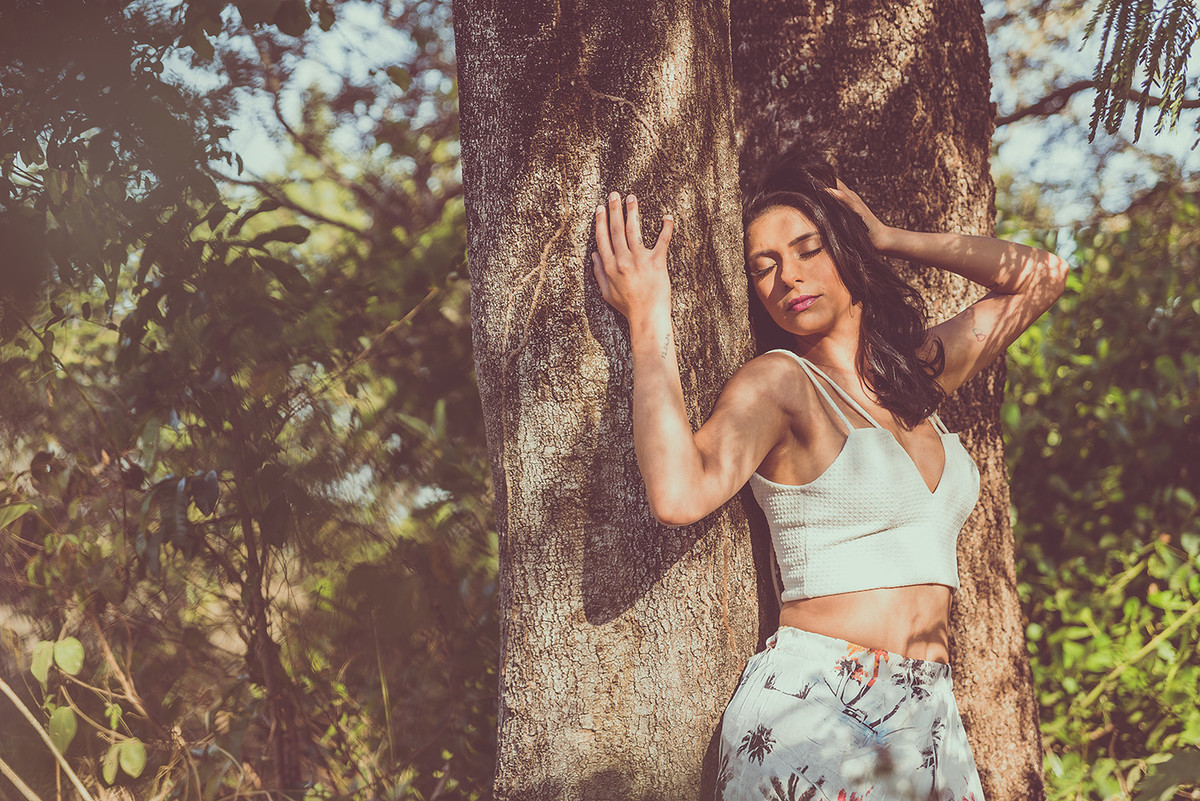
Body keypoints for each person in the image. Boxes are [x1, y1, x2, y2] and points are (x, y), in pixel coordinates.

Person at [589, 151, 1068, 800]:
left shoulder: (914, 377)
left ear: (848, 251)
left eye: (809, 248)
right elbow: (678, 493)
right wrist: (648, 318)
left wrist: (888, 237)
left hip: (929, 714)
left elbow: (1041, 277)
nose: (788, 276)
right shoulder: (781, 384)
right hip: (817, 704)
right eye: (764, 266)